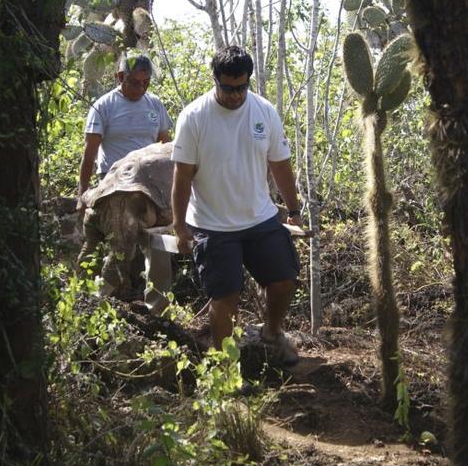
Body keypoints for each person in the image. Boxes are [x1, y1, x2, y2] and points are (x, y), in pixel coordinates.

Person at [171, 46, 303, 365]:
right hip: (213, 224)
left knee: (285, 280)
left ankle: (272, 333)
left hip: (259, 218)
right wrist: (179, 225)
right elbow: (183, 175)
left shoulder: (264, 111)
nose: (234, 95)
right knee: (226, 297)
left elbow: (280, 165)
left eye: (241, 87)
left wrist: (295, 210)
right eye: (228, 88)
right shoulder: (194, 117)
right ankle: (226, 370)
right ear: (215, 80)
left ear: (248, 81)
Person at [77, 54, 174, 311]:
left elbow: (167, 148)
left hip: (150, 186)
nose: (140, 88)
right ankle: (94, 303)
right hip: (116, 187)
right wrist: (82, 192)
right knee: (118, 249)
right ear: (120, 77)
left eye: (146, 83)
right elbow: (90, 154)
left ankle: (153, 304)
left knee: (154, 246)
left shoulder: (154, 105)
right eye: (134, 82)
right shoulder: (104, 106)